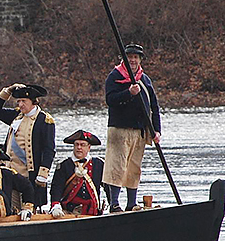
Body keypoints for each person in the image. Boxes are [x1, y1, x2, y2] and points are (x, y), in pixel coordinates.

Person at [102, 43, 160, 213]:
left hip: (140, 131)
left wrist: (156, 131)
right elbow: (110, 100)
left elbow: (154, 106)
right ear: (124, 59)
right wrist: (129, 93)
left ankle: (131, 203)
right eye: (130, 57)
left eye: (135, 57)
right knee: (117, 166)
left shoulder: (145, 79)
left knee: (134, 168)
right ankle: (114, 204)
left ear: (140, 60)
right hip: (119, 130)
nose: (132, 60)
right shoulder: (114, 76)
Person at [0, 83, 56, 208]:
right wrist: (7, 91)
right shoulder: (16, 115)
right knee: (9, 207)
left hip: (30, 173)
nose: (20, 105)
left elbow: (49, 150)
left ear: (34, 102)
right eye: (18, 101)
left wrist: (43, 174)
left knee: (29, 207)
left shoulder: (44, 120)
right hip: (9, 172)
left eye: (24, 101)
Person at [50, 130, 105, 217]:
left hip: (93, 211)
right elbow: (56, 188)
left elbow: (107, 186)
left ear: (89, 147)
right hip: (69, 212)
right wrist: (55, 205)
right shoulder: (64, 165)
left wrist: (113, 204)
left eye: (82, 145)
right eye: (76, 144)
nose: (79, 147)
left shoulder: (98, 164)